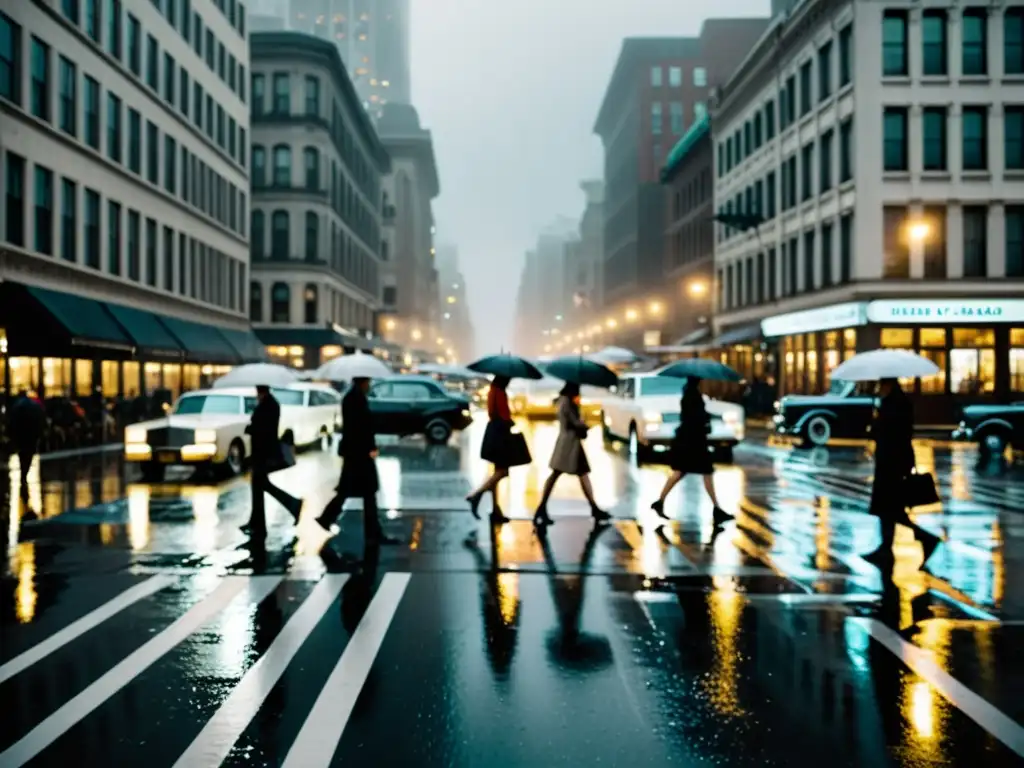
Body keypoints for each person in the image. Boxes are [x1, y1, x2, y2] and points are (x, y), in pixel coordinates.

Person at [862, 378, 939, 568]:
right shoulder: (896, 403)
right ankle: (886, 548)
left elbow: (891, 433)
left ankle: (924, 539)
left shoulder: (894, 405)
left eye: (881, 386)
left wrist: (876, 421)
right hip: (893, 462)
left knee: (890, 509)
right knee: (887, 509)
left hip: (892, 463)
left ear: (888, 386)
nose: (879, 389)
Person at [316, 376, 398, 546]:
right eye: (368, 382)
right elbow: (360, 427)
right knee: (364, 492)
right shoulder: (355, 399)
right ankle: (372, 533)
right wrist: (370, 447)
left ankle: (329, 518)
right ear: (363, 381)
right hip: (358, 453)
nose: (370, 385)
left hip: (355, 453)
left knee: (356, 492)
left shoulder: (353, 397)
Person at [651, 376, 732, 526]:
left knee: (684, 471)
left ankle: (660, 501)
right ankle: (716, 510)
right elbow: (694, 417)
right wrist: (705, 418)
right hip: (693, 442)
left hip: (690, 440)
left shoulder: (689, 393)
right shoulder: (692, 395)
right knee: (699, 471)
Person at [533, 383, 610, 527]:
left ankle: (594, 508)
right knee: (559, 474)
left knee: (579, 473)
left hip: (569, 443)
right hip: (569, 444)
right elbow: (574, 423)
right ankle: (541, 508)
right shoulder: (567, 402)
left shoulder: (564, 400)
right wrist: (585, 425)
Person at [242, 385, 303, 541]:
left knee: (261, 485)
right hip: (262, 452)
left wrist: (251, 429)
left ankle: (293, 505)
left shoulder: (269, 405)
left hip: (263, 453)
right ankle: (256, 522)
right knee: (259, 486)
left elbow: (264, 430)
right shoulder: (268, 404)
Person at [466, 375, 520, 523]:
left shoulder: (492, 390)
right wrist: (511, 420)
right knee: (502, 472)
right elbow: (504, 416)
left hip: (493, 432)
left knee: (497, 473)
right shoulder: (500, 393)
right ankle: (477, 494)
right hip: (500, 434)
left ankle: (496, 511)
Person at [8, 390, 45, 497]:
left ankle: (23, 474)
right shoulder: (34, 406)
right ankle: (25, 473)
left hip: (20, 434)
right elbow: (40, 420)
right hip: (31, 434)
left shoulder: (16, 407)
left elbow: (12, 422)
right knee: (29, 454)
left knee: (22, 453)